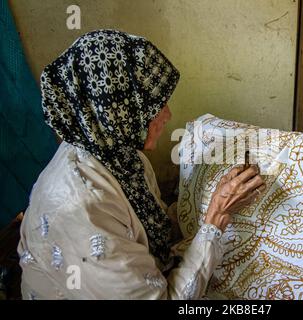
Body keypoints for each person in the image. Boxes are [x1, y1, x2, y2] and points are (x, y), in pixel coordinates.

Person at [17, 29, 266, 299]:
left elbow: (151, 225)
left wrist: (208, 198)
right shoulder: (83, 208)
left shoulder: (118, 152)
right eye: (154, 106)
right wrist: (216, 216)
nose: (168, 114)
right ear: (115, 113)